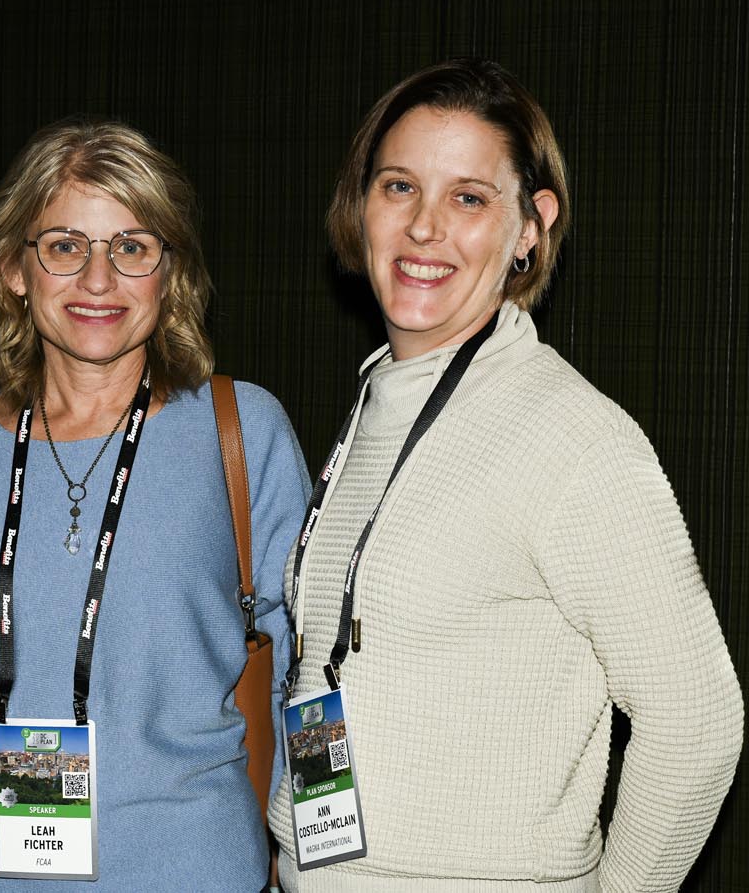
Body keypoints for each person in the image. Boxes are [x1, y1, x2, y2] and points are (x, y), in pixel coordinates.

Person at [267, 58, 742, 891]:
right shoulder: (382, 399)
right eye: (399, 186)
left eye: (469, 198)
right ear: (361, 204)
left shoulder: (574, 437)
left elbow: (698, 723)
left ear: (530, 226)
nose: (424, 227)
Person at [0, 117, 311, 891]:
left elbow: (300, 661)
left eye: (131, 247)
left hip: (197, 870)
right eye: (64, 246)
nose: (97, 279)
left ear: (168, 271)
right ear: (14, 269)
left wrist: (304, 848)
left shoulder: (243, 431)